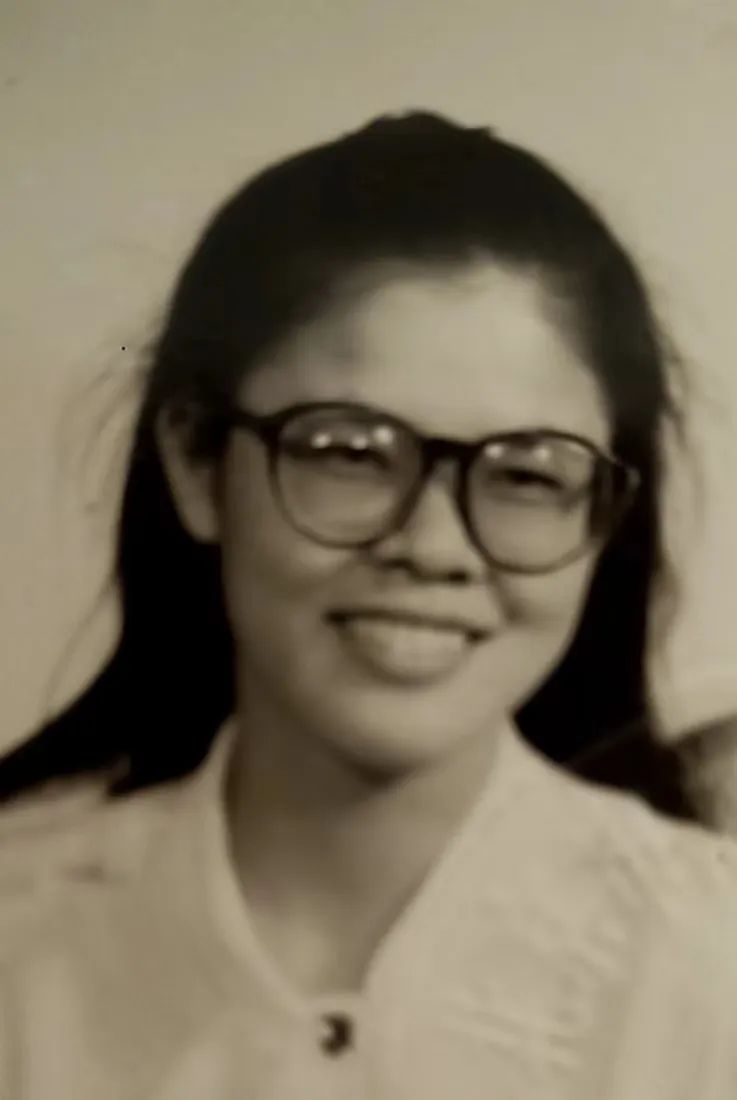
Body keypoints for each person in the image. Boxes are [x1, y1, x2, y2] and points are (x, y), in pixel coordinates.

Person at [0, 110, 736, 1099]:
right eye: (348, 453)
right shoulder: (21, 937)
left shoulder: (706, 972)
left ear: (602, 518)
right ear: (198, 465)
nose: (431, 545)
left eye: (526, 475)